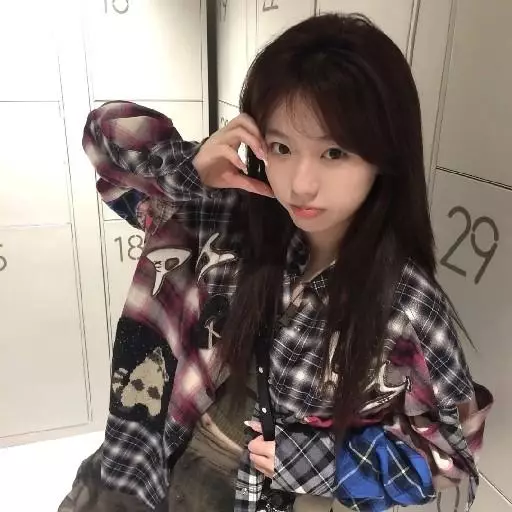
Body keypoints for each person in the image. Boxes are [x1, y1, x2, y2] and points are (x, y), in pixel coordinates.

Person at [59, 13, 492, 512]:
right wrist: (190, 168)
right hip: (142, 469)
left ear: (385, 154)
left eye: (334, 153)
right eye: (282, 147)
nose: (300, 184)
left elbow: (452, 459)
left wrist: (314, 461)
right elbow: (103, 136)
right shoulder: (222, 214)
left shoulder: (406, 304)